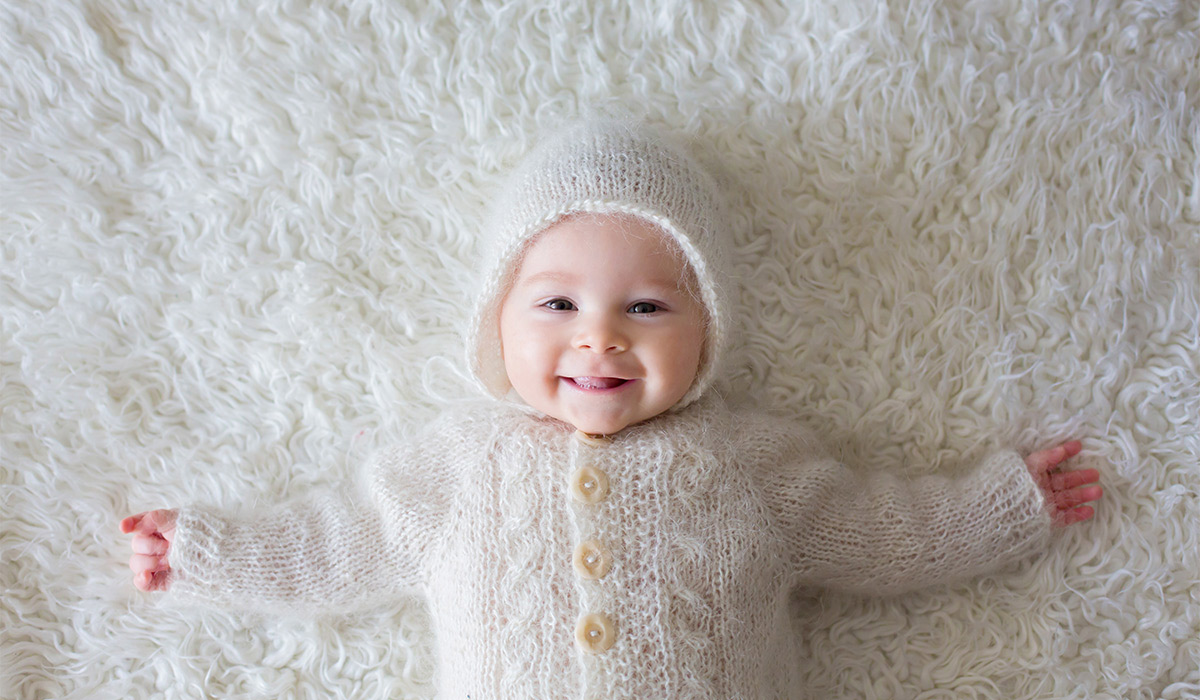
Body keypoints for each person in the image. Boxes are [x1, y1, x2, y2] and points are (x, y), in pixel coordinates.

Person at [121, 118, 1102, 697]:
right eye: (556, 304)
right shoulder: (459, 462)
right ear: (496, 323)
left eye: (646, 306)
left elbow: (883, 530)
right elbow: (338, 542)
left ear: (707, 327)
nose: (600, 337)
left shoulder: (752, 461)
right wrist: (206, 550)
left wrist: (1001, 504)